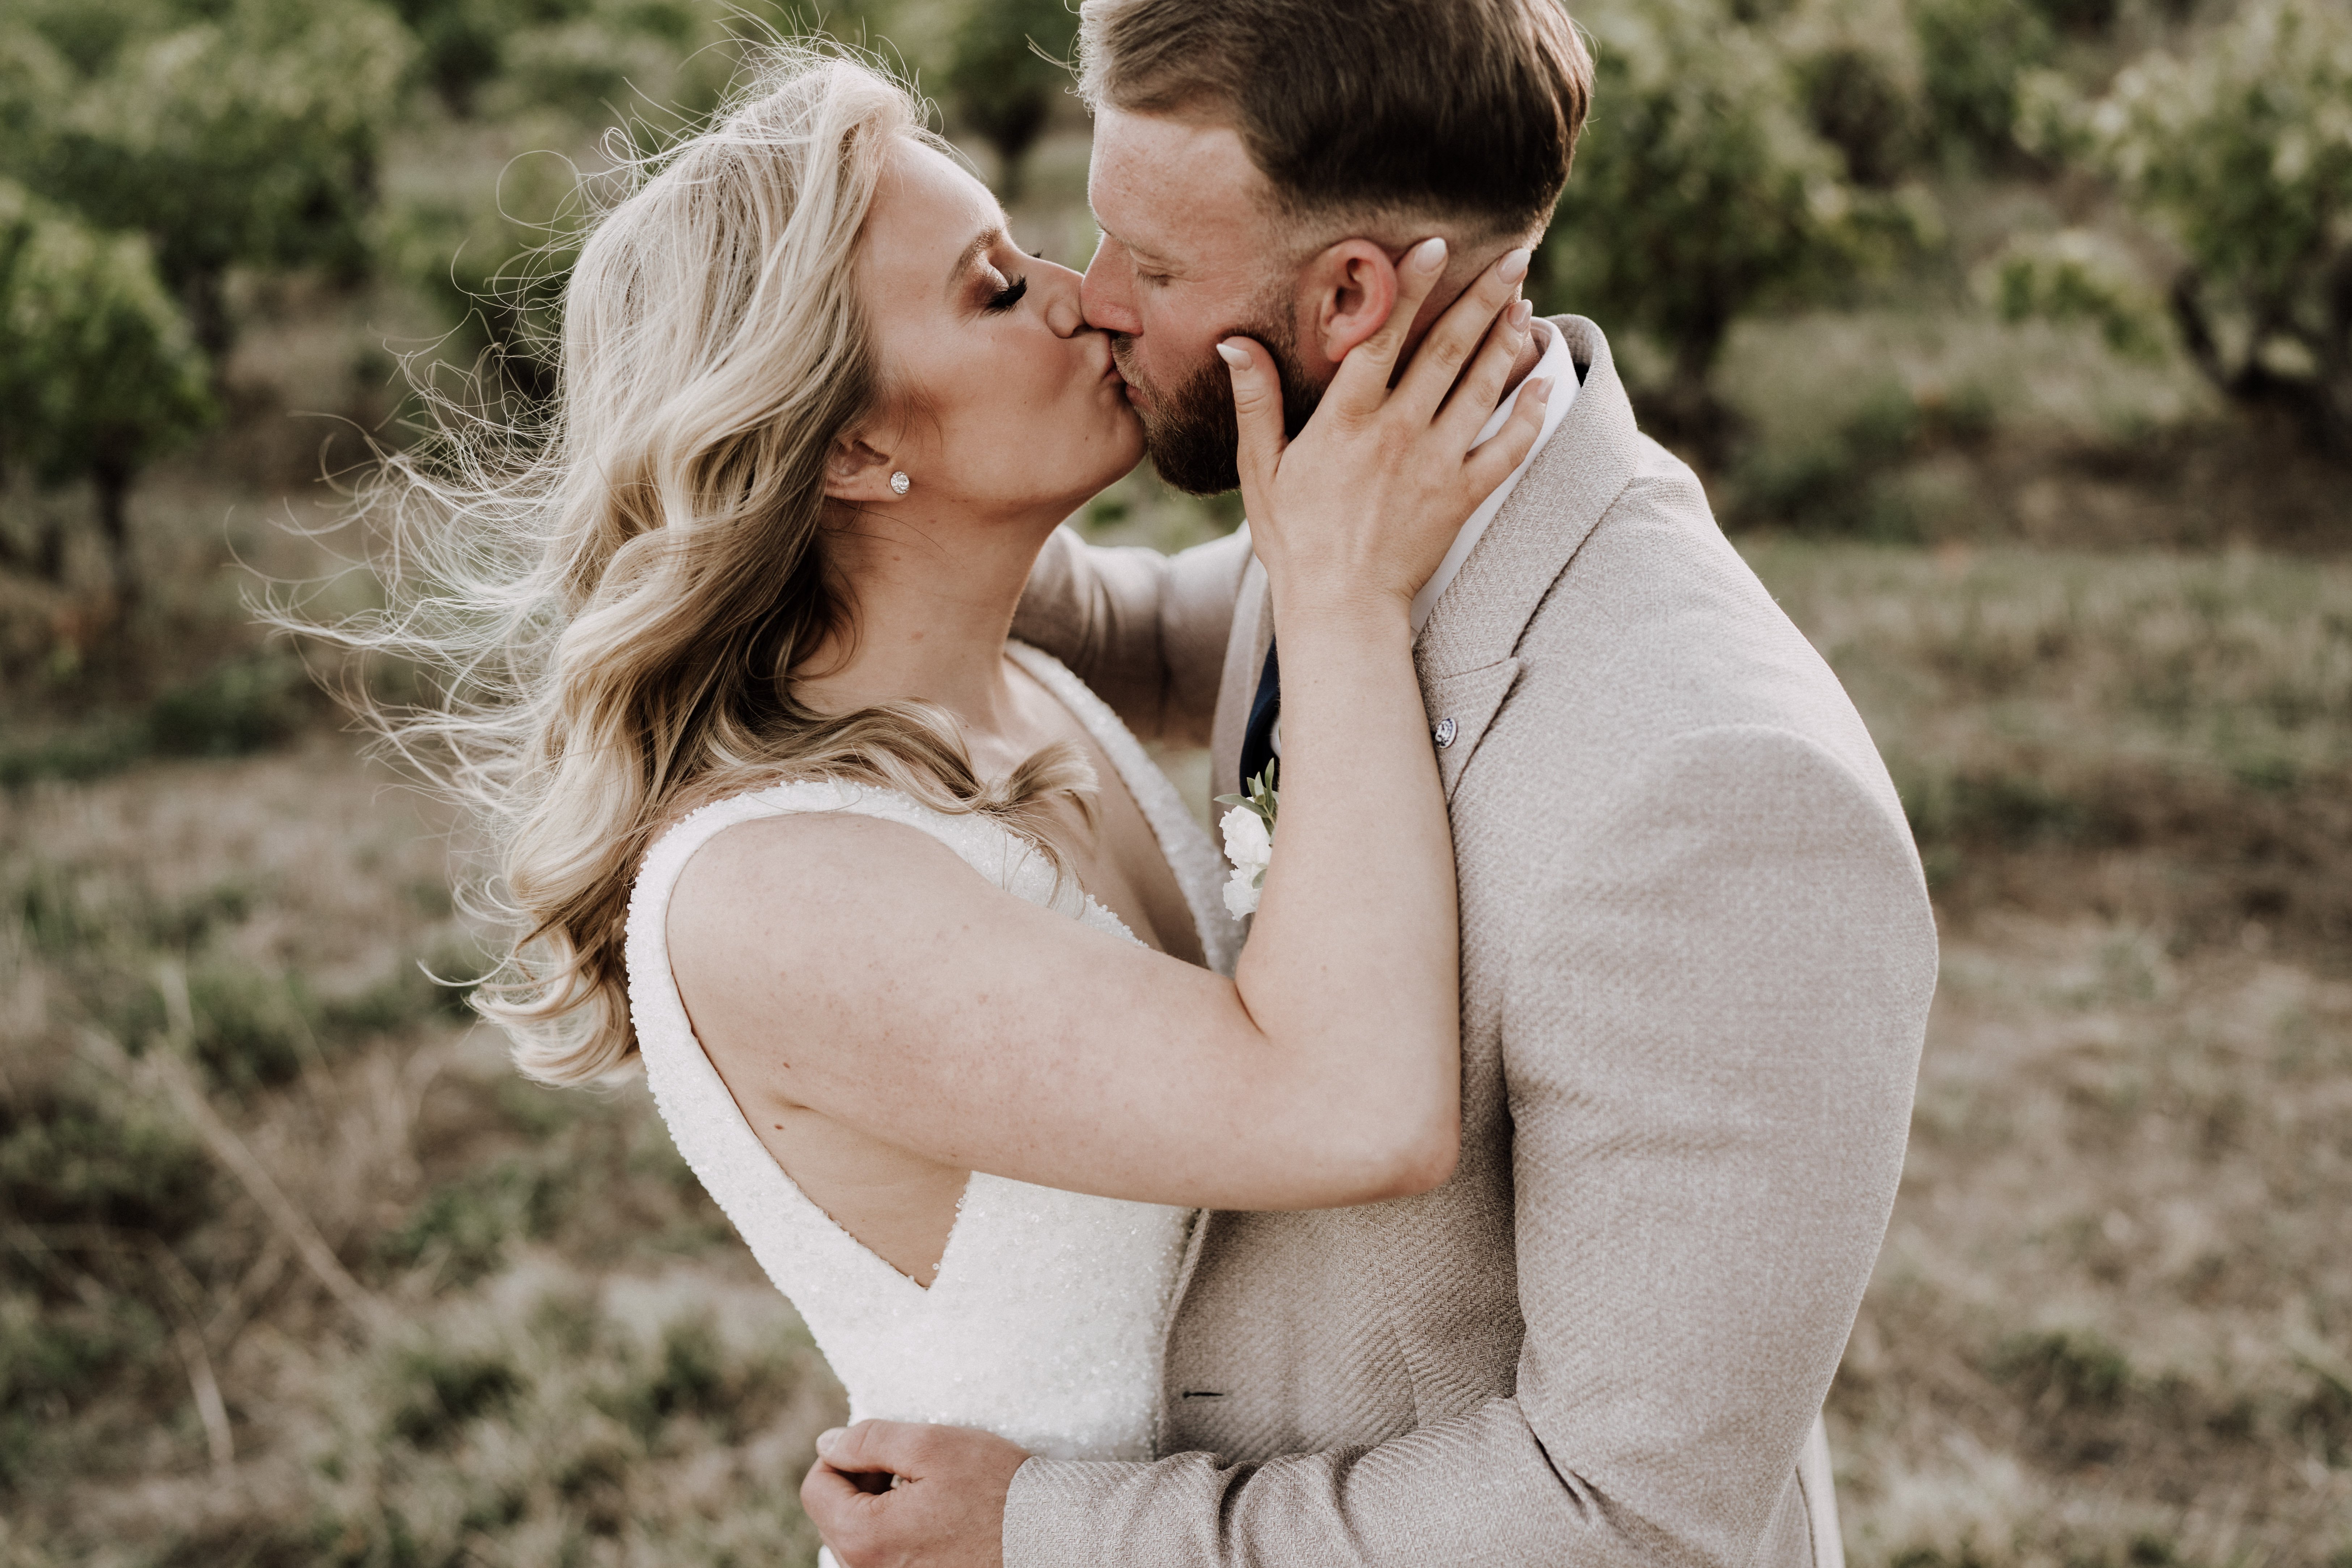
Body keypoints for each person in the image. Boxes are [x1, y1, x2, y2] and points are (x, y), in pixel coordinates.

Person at [304, 39, 1551, 1555]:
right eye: (992, 288)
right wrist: (1340, 595)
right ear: (851, 443)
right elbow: (1354, 1108)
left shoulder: (1001, 678)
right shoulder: (783, 890)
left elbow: (1231, 601)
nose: (1086, 293)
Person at [796, 2, 1940, 1565]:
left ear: (1346, 295)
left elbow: (1631, 1522)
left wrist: (1059, 1530)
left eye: (1157, 265)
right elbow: (1126, 631)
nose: (1094, 300)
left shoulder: (1717, 797)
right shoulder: (1355, 512)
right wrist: (785, 441)